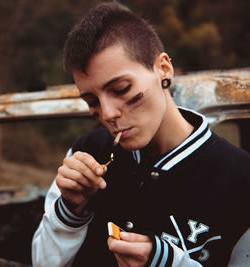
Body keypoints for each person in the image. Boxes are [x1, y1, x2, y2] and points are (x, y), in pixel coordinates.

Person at [31, 1, 250, 267]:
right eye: (92, 101)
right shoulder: (87, 152)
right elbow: (42, 262)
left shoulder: (241, 180)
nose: (107, 114)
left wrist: (168, 262)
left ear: (164, 70)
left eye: (121, 88)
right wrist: (70, 211)